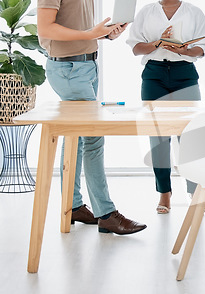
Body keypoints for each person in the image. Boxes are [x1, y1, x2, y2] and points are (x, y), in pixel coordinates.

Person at [37, 0, 147, 234]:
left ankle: (73, 205)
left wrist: (104, 34)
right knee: (93, 137)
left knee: (76, 137)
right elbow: (45, 29)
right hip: (69, 70)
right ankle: (106, 214)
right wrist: (90, 33)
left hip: (86, 66)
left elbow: (78, 27)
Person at [126, 0, 205, 214]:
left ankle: (194, 190)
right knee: (158, 136)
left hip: (185, 73)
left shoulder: (194, 12)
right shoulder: (147, 12)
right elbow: (136, 48)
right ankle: (164, 192)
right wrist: (157, 44)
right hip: (154, 74)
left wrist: (185, 51)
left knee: (189, 134)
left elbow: (202, 49)